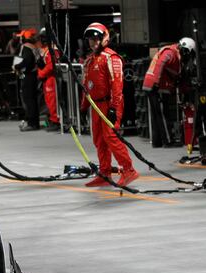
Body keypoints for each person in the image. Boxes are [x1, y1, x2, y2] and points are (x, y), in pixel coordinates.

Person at [80, 22, 138, 187]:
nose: (93, 42)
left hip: (109, 104)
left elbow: (117, 85)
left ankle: (129, 170)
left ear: (103, 37)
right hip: (95, 106)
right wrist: (83, 107)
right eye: (90, 39)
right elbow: (86, 85)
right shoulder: (89, 60)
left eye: (96, 38)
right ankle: (105, 173)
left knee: (111, 137)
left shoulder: (111, 58)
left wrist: (113, 107)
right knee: (99, 139)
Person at [142, 37, 196, 147]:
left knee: (157, 115)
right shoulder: (171, 53)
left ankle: (158, 142)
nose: (188, 57)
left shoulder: (177, 58)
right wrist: (156, 83)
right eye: (188, 54)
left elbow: (181, 80)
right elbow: (160, 64)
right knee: (163, 114)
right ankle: (168, 141)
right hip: (157, 87)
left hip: (152, 85)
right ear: (185, 50)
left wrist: (185, 94)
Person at [14, 28, 40, 131]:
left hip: (28, 76)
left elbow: (27, 61)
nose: (20, 38)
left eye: (21, 36)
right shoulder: (34, 47)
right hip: (34, 75)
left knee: (29, 100)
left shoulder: (26, 47)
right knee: (33, 100)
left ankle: (32, 123)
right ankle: (34, 122)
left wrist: (17, 67)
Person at [37, 27, 60, 131]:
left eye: (42, 37)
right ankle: (53, 119)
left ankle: (56, 121)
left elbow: (51, 66)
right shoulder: (47, 49)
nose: (41, 40)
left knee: (52, 101)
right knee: (49, 101)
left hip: (51, 78)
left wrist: (41, 74)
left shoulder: (52, 50)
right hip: (47, 79)